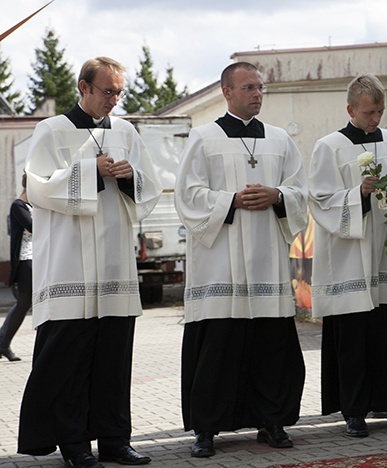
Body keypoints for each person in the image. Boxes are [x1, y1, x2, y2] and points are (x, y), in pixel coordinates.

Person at [19, 57, 161, 467]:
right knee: (70, 363)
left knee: (114, 361)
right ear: (84, 87)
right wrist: (91, 171)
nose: (114, 100)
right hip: (69, 267)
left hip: (115, 263)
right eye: (107, 91)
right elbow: (39, 188)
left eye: (119, 92)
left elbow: (149, 188)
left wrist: (129, 174)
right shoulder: (52, 130)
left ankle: (116, 440)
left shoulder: (127, 131)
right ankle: (75, 445)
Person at [174, 62, 307, 458]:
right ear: (226, 92)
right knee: (218, 349)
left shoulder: (281, 140)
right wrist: (230, 200)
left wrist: (278, 196)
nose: (257, 94)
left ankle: (272, 420)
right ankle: (206, 429)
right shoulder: (203, 138)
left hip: (267, 260)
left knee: (270, 347)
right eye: (248, 87)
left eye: (261, 88)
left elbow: (301, 190)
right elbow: (187, 196)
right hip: (221, 265)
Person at [309, 74, 387, 438]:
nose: (376, 118)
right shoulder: (329, 147)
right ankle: (355, 412)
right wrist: (357, 194)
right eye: (368, 112)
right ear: (350, 109)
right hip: (351, 258)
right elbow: (320, 199)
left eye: (380, 111)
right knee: (354, 342)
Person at [0, 172, 32, 362]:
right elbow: (33, 226)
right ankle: (3, 343)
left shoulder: (31, 206)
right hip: (26, 261)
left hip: (36, 260)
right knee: (23, 303)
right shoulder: (18, 206)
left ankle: (3, 343)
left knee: (23, 304)